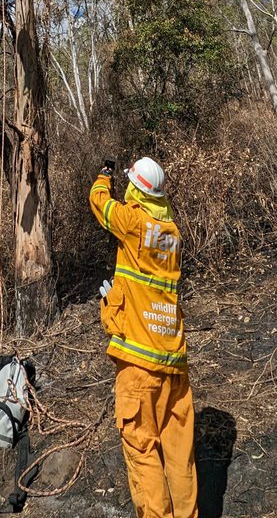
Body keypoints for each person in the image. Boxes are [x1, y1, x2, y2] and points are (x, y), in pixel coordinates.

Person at [90, 156, 198, 518]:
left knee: (142, 449)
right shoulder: (174, 234)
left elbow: (99, 203)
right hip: (174, 360)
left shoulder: (134, 222)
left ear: (135, 189)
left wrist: (104, 177)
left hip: (139, 364)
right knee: (180, 455)